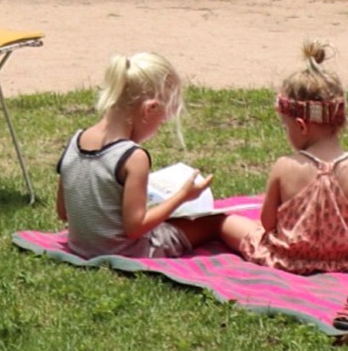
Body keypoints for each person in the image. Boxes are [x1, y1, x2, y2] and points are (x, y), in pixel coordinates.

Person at [220, 42, 348, 274]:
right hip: (344, 261)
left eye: (286, 126)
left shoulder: (284, 167)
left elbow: (267, 224)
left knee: (227, 222)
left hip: (288, 259)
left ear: (301, 126)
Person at [56, 51, 225, 259]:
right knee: (215, 222)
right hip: (127, 251)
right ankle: (258, 246)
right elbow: (135, 228)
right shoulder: (133, 157)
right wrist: (183, 196)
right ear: (149, 109)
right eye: (161, 121)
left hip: (81, 247)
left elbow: (63, 212)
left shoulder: (75, 140)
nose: (158, 128)